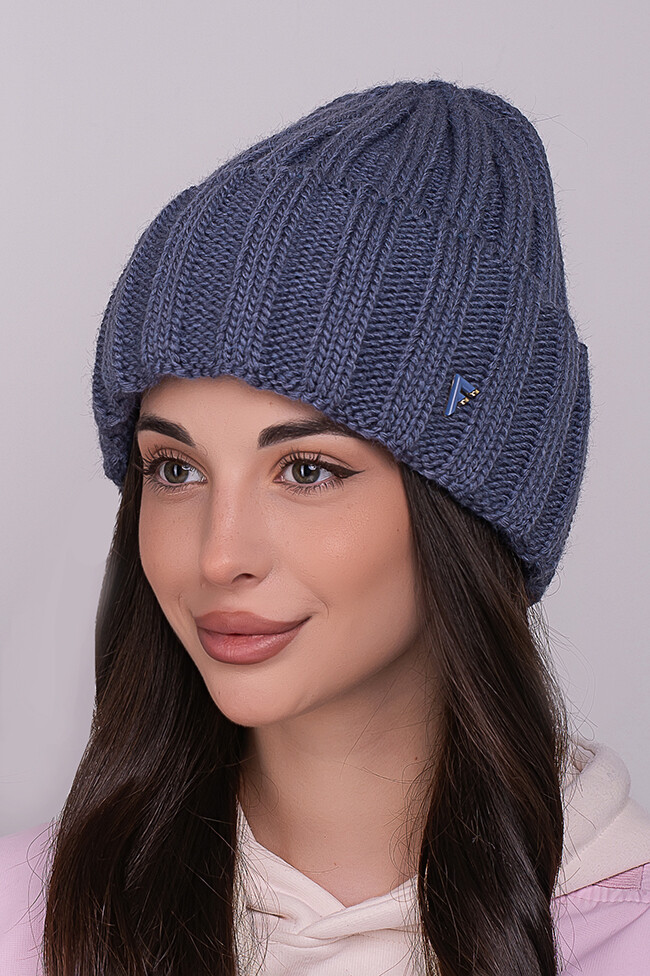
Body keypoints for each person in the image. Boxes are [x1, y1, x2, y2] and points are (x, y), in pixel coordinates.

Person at [1, 77, 649, 976]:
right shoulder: (28, 919)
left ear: (468, 512)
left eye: (307, 470)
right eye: (175, 469)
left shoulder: (623, 940)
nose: (219, 555)